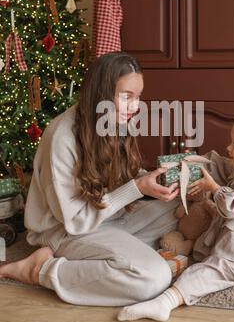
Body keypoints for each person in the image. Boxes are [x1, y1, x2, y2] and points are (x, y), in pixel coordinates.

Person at [0, 53, 180, 307]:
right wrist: (136, 188)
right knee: (153, 276)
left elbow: (120, 180)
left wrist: (153, 180)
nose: (135, 106)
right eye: (126, 96)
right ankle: (40, 269)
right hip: (65, 230)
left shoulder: (114, 120)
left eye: (137, 97)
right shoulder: (63, 137)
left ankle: (106, 258)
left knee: (177, 209)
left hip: (105, 218)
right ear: (102, 93)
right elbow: (74, 220)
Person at [117, 117, 234, 322]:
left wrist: (214, 188)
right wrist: (193, 163)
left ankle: (166, 302)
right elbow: (218, 163)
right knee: (204, 250)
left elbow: (233, 207)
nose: (228, 147)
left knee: (208, 272)